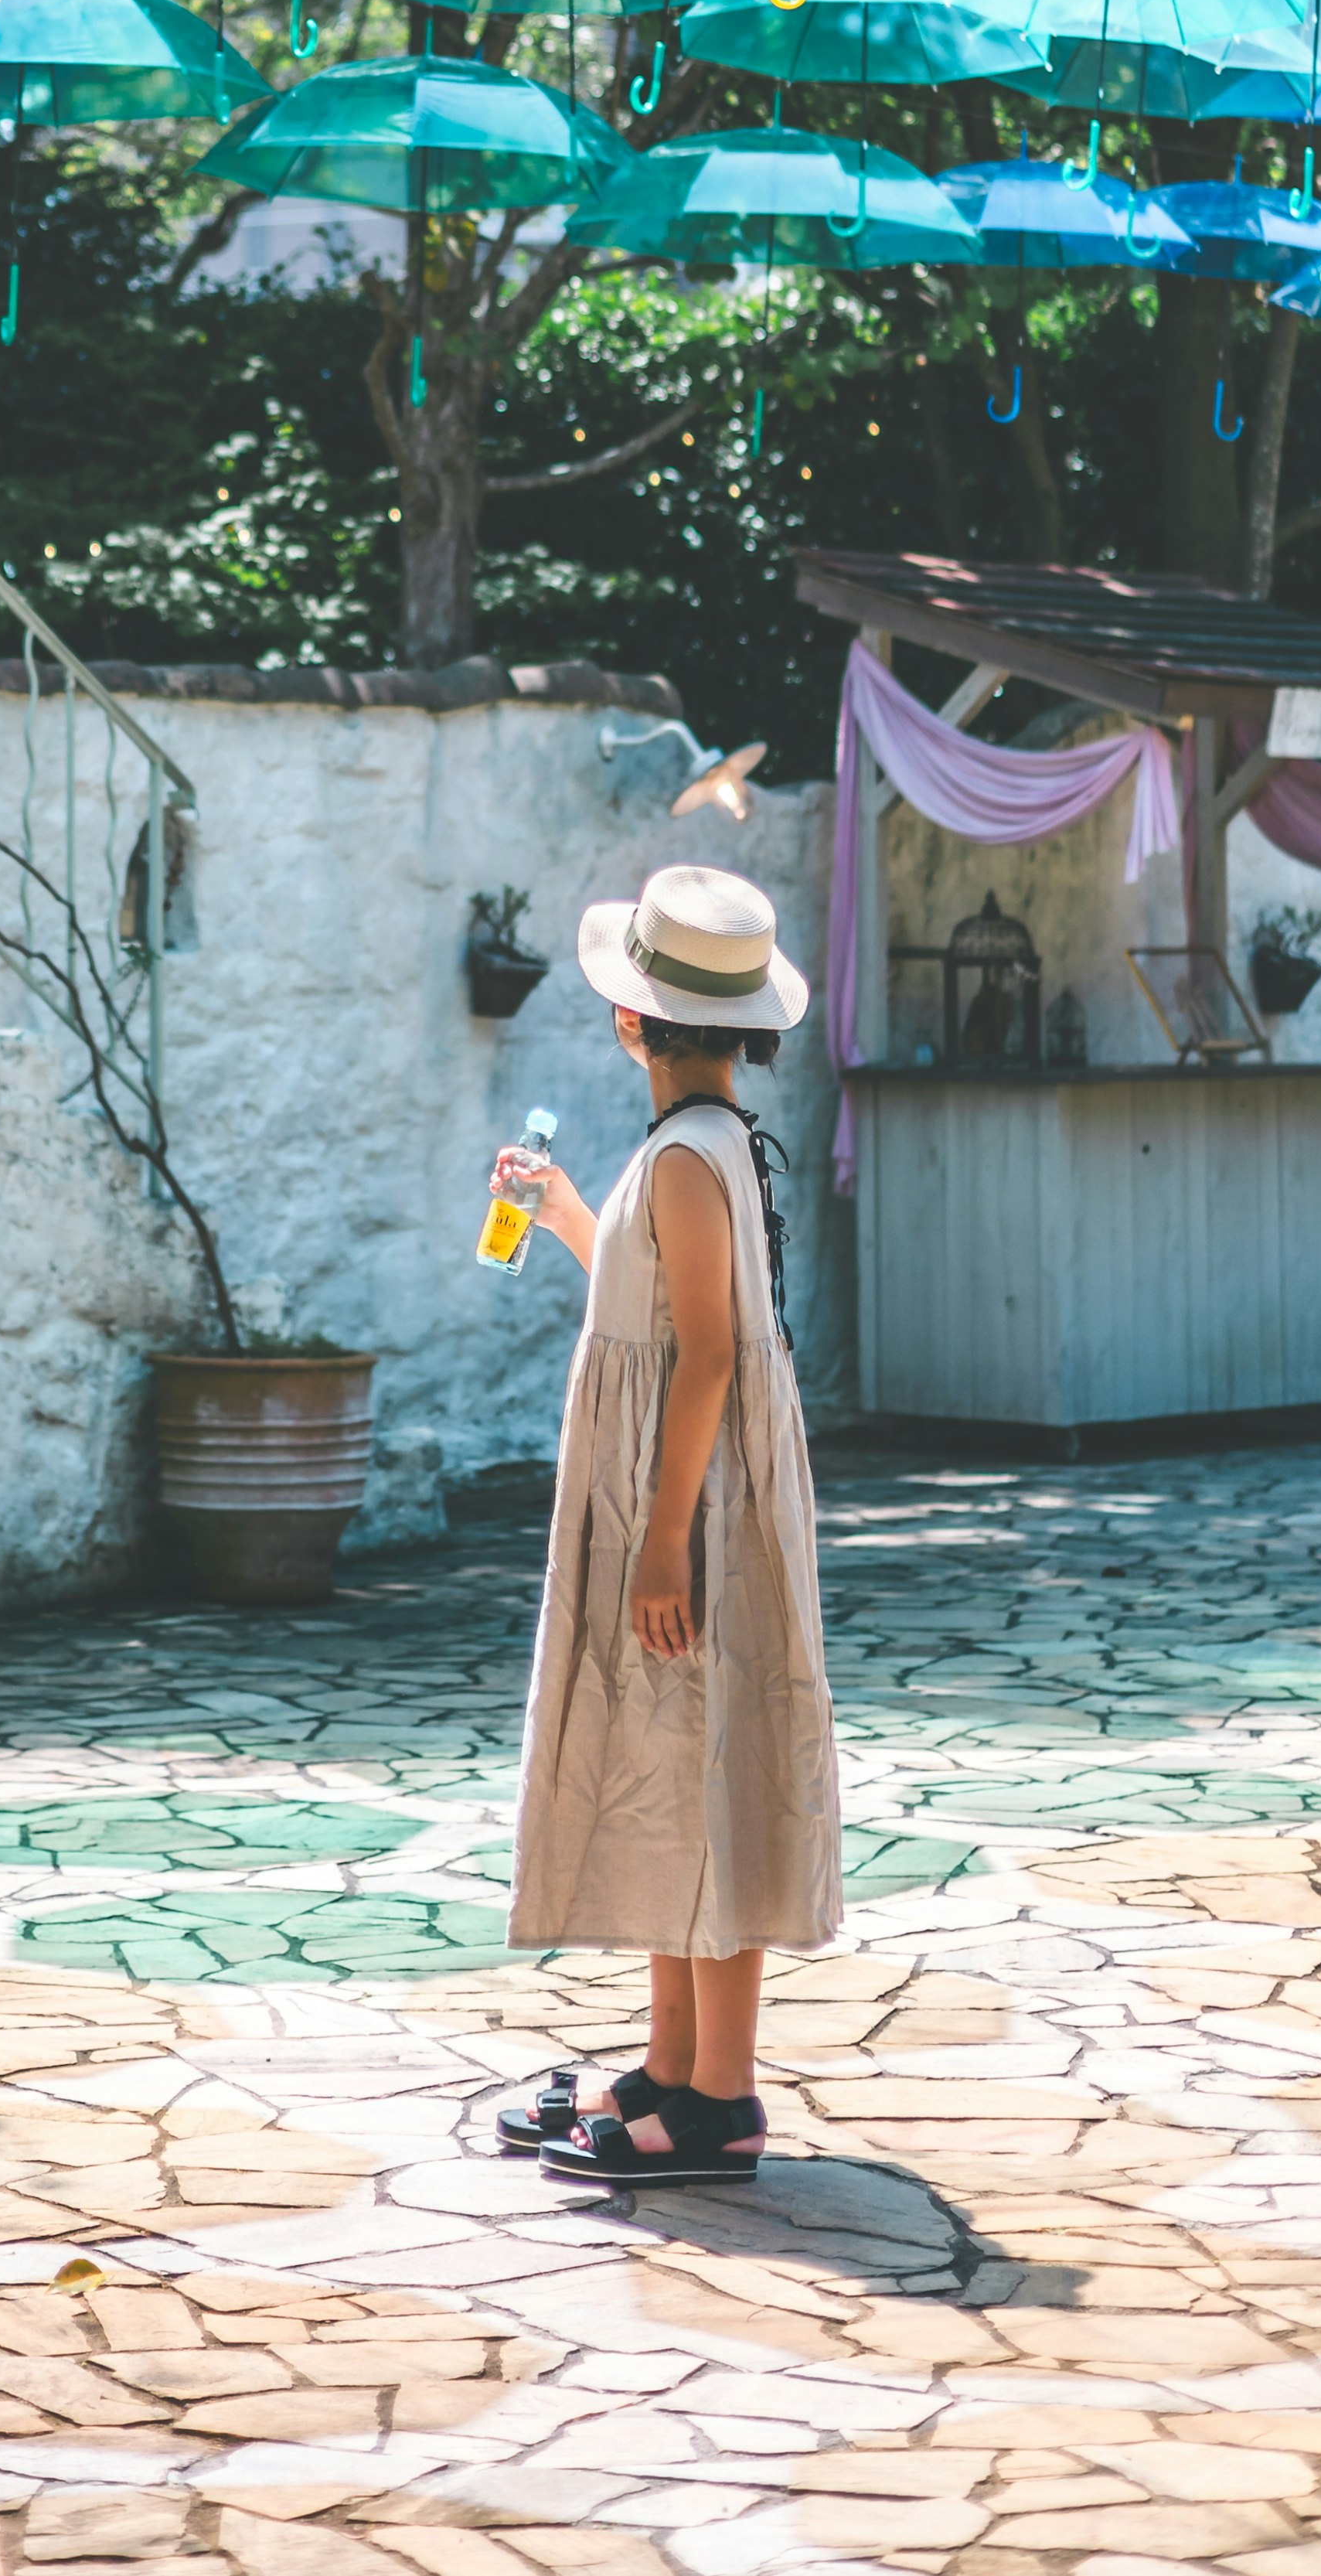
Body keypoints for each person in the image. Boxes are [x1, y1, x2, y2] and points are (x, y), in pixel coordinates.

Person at [493, 864, 841, 2190]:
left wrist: (659, 1538)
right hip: (680, 1490)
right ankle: (675, 2064)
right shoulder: (690, 1153)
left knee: (712, 1769)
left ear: (630, 1019)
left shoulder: (692, 1161)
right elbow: (660, 1315)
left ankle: (721, 2096)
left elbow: (702, 1363)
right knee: (676, 1755)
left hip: (687, 1506)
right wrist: (578, 1213)